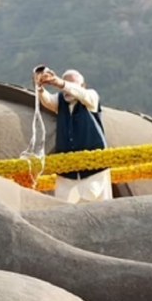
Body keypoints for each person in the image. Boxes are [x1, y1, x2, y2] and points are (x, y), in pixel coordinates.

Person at [33, 66, 112, 203]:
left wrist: (60, 83)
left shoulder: (91, 96)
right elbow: (47, 100)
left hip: (94, 168)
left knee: (98, 206)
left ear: (82, 86)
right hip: (67, 169)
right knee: (63, 206)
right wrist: (39, 86)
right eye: (65, 84)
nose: (66, 90)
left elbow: (79, 93)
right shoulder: (60, 101)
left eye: (71, 84)